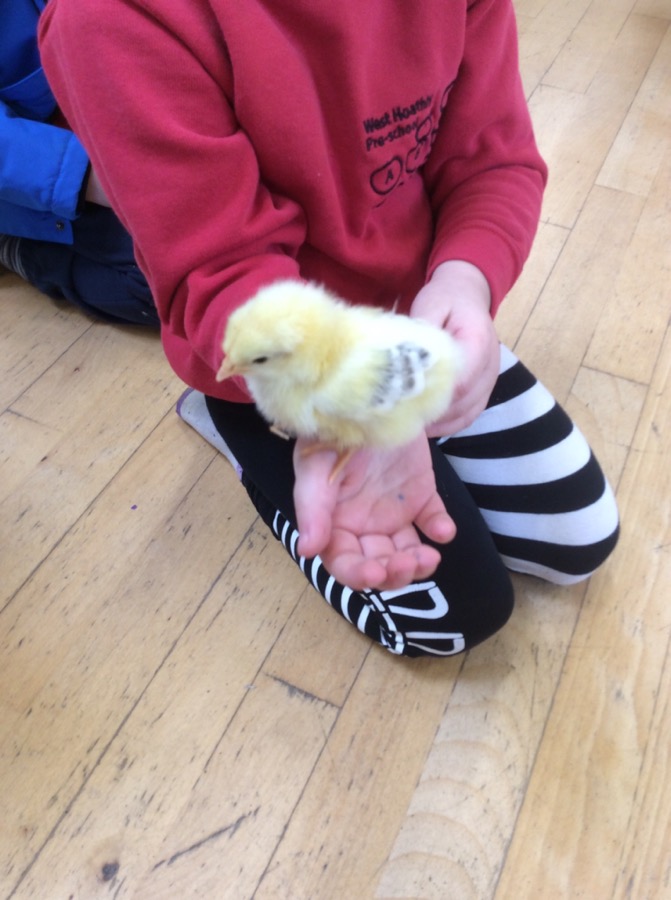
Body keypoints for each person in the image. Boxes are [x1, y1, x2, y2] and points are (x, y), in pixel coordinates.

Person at [39, 0, 619, 657]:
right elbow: (221, 268)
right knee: (451, 621)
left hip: (403, 323)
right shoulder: (112, 19)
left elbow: (492, 157)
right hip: (283, 373)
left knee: (580, 537)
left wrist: (465, 282)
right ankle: (236, 435)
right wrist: (338, 410)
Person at [0, 0, 159, 327]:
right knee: (171, 281)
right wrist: (86, 176)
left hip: (108, 87)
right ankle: (18, 249)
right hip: (31, 171)